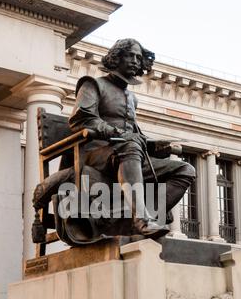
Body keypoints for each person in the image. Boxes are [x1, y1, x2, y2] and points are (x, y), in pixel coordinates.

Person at [68, 38, 195, 236]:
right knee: (130, 147)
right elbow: (82, 119)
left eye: (138, 57)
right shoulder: (93, 84)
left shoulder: (131, 98)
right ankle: (140, 220)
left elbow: (135, 133)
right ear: (116, 57)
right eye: (130, 55)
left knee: (185, 170)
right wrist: (117, 133)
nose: (135, 60)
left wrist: (154, 145)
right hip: (96, 154)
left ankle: (138, 218)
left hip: (128, 153)